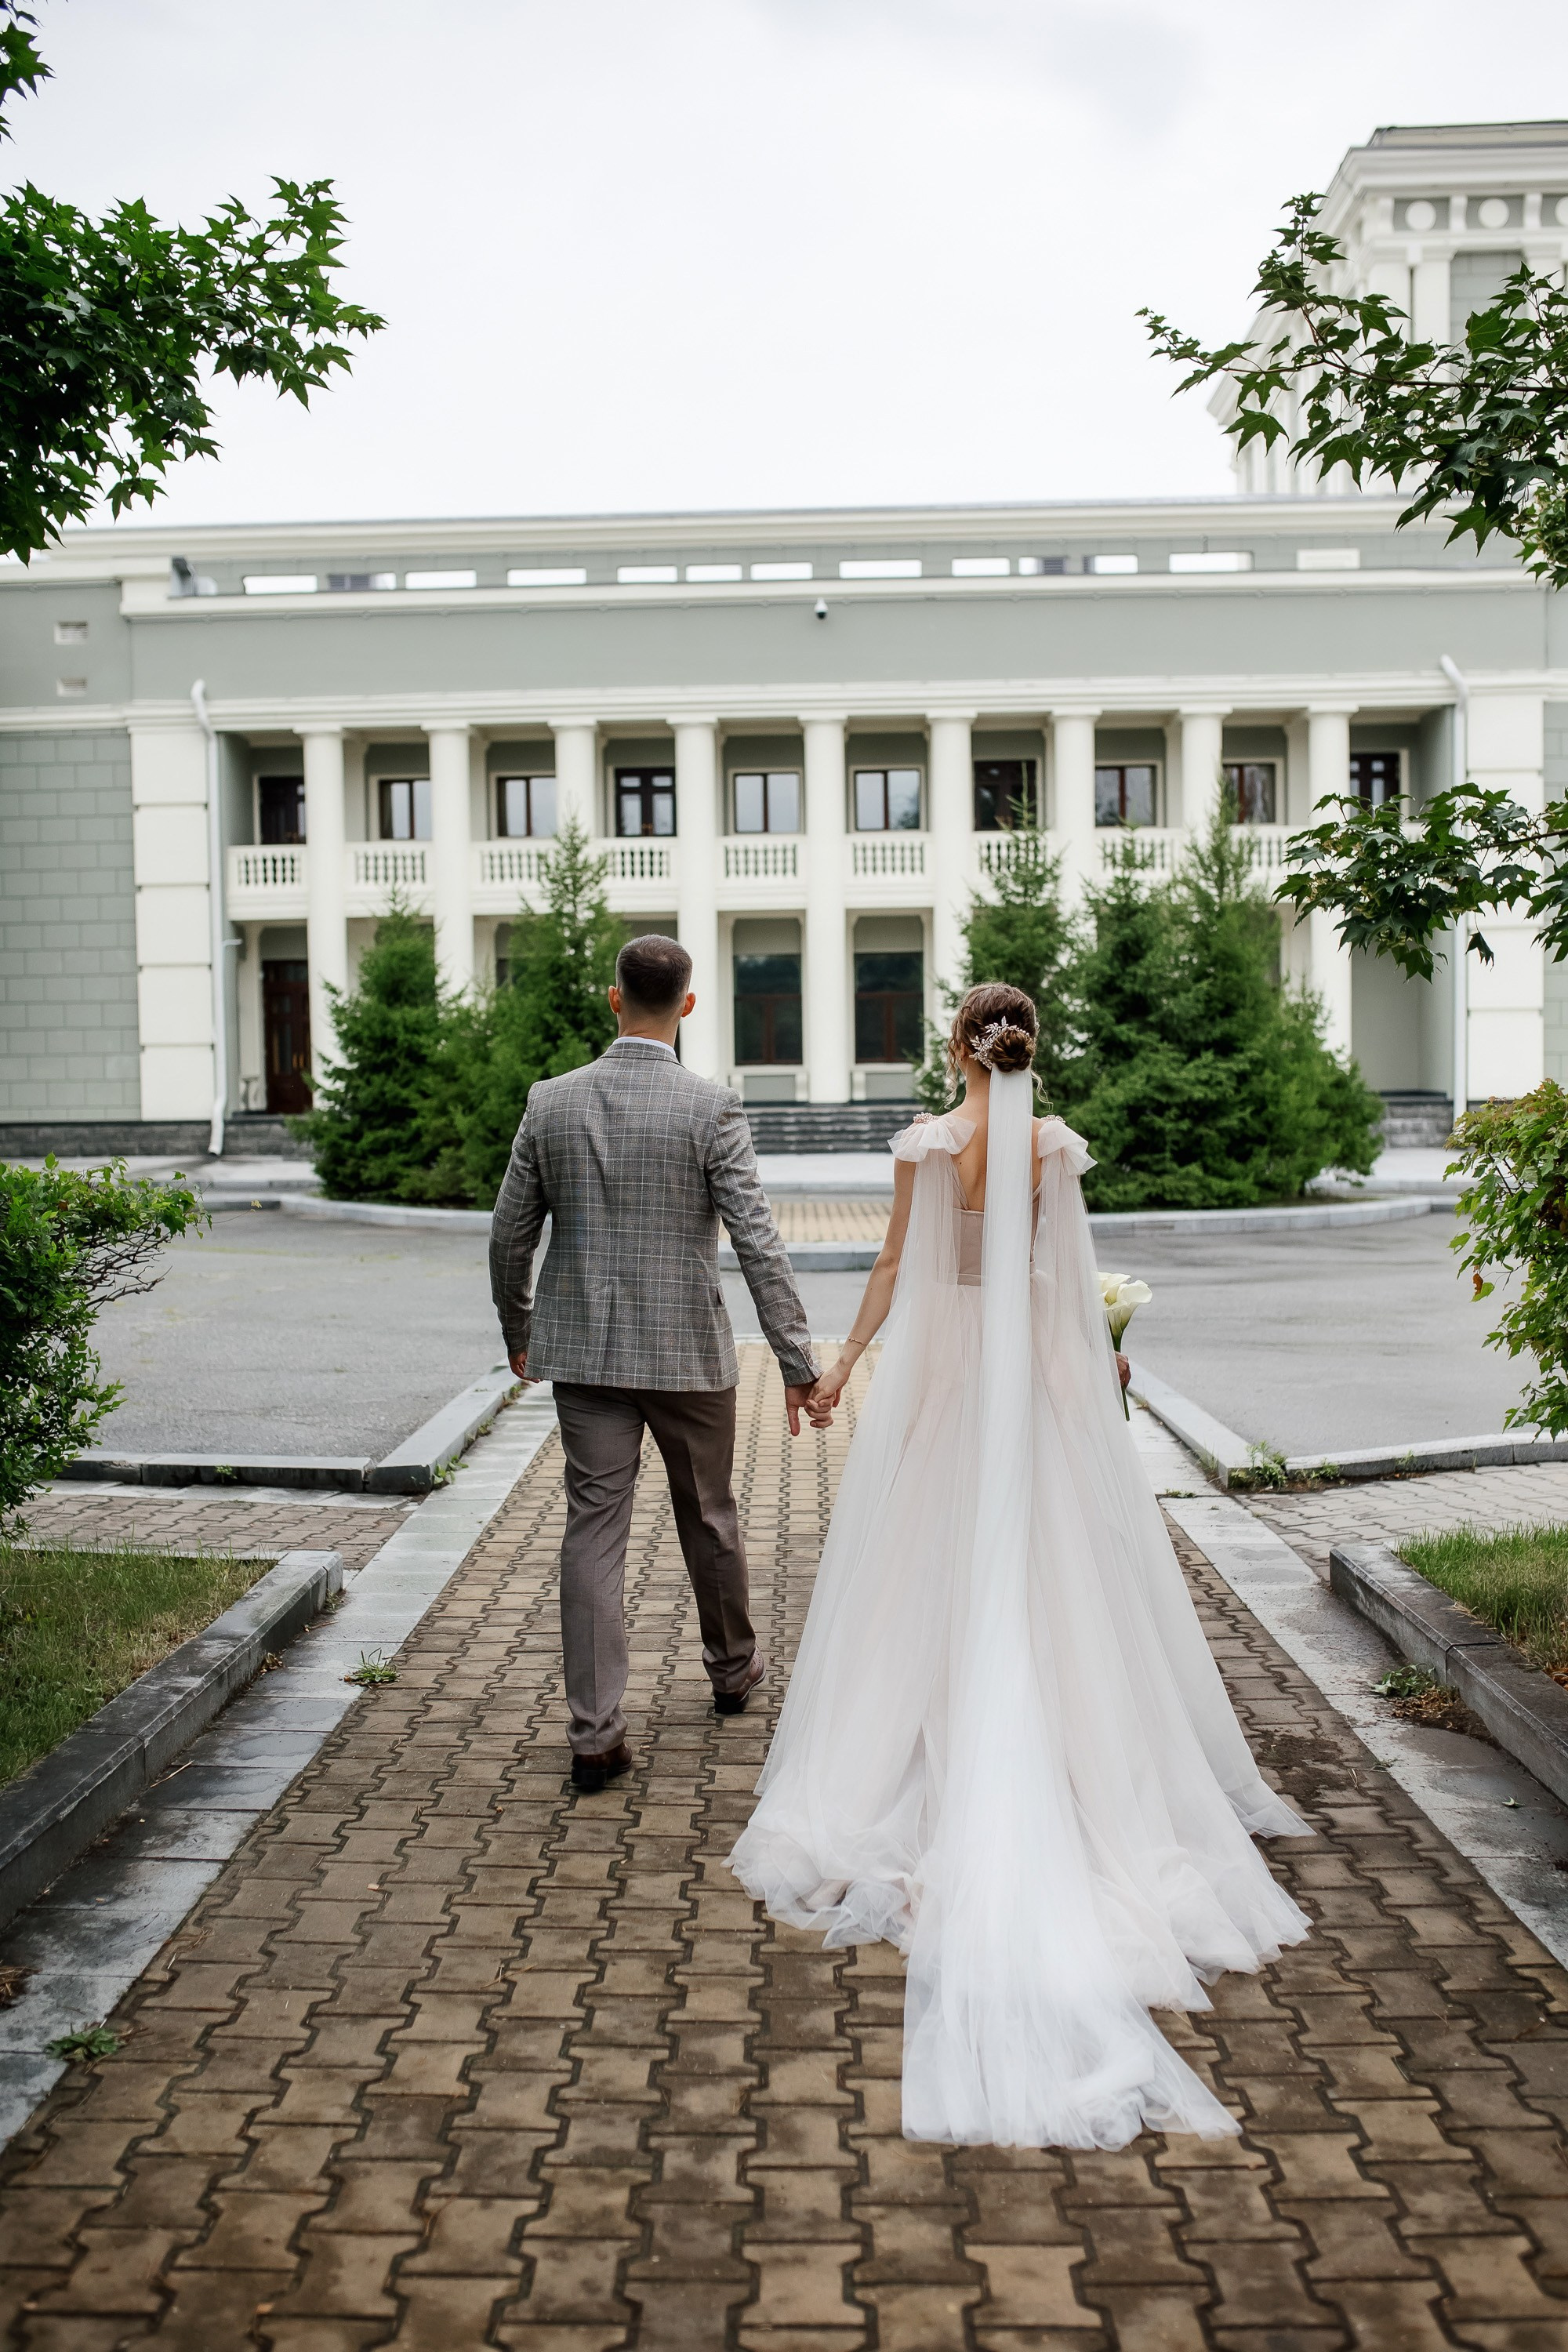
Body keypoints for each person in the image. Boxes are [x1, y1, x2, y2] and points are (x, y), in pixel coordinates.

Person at [728, 982, 1312, 2150]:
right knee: (1064, 1592)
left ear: (959, 1049)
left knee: (922, 1585)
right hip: (1032, 1404)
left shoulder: (929, 1147)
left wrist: (839, 1370)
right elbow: (1059, 1284)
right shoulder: (1053, 1146)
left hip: (946, 1397)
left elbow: (895, 1272)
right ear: (1030, 1049)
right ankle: (1082, 1775)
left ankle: (925, 1773)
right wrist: (1097, 1373)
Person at [489, 933, 827, 1794]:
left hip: (585, 1357)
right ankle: (731, 1670)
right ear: (687, 1004)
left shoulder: (551, 1102)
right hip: (686, 1351)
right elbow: (757, 1240)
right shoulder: (709, 1107)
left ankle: (594, 1733)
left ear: (613, 999)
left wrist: (517, 1328)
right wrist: (796, 1360)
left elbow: (509, 1233)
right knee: (708, 1514)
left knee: (592, 1530)